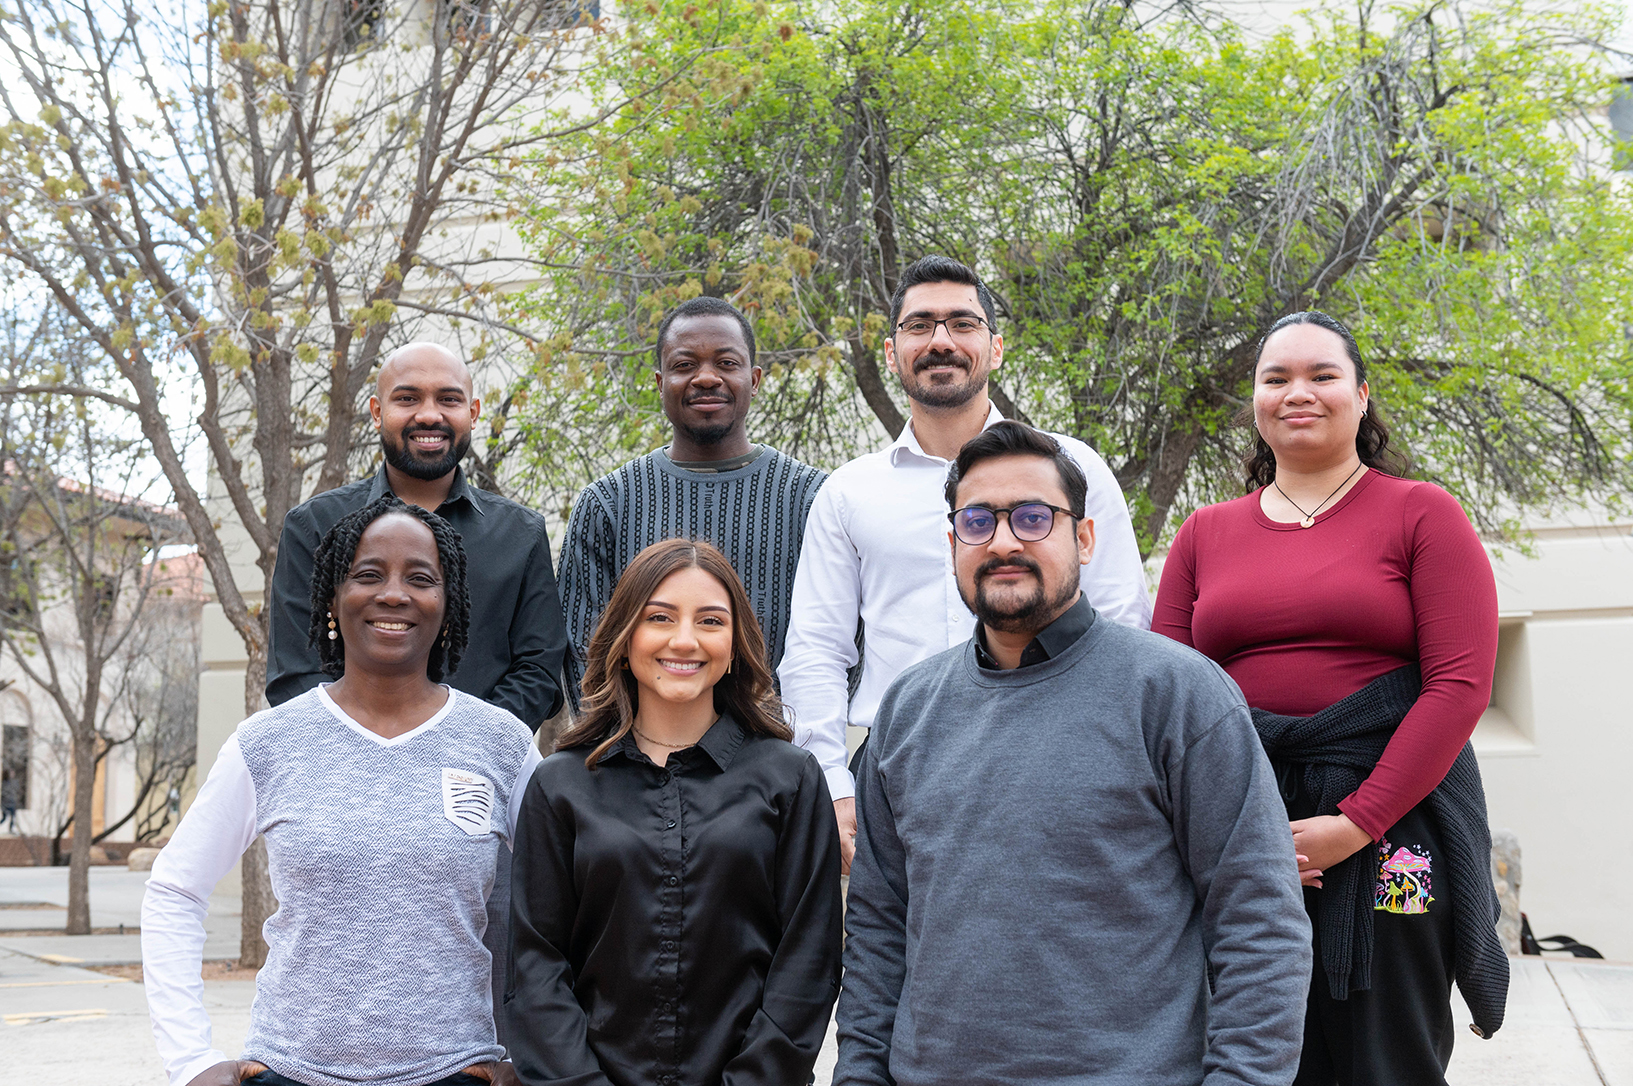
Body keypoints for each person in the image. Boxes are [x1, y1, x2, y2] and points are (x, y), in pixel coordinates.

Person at [835, 421, 1311, 1086]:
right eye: (977, 521)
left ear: (1083, 538)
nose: (1002, 541)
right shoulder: (907, 711)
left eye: (1033, 517)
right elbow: (879, 932)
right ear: (951, 545)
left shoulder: (1177, 695)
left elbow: (1259, 925)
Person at [1152, 310, 1509, 1085]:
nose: (1297, 393)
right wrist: (1227, 836)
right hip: (1239, 817)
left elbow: (1458, 686)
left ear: (1360, 394)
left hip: (1393, 825)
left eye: (1321, 375)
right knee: (1242, 1049)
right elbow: (1166, 704)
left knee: (1390, 1055)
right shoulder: (1202, 534)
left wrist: (1351, 826)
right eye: (1274, 378)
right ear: (1253, 400)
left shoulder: (1421, 513)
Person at [142, 495, 539, 1086]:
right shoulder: (269, 743)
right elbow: (174, 890)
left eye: (421, 578)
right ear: (333, 597)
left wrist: (532, 1061)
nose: (394, 594)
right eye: (368, 575)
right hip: (292, 1073)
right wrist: (190, 1061)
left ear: (447, 602)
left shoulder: (501, 744)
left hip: (457, 1073)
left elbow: (562, 913)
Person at [779, 254, 1152, 869]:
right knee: (895, 952)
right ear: (894, 350)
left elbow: (1121, 623)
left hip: (1058, 753)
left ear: (996, 347)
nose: (941, 341)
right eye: (920, 325)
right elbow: (817, 649)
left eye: (962, 323)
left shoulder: (1074, 468)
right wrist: (831, 782)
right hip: (894, 768)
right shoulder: (848, 493)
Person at [507, 539, 842, 1086]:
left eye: (710, 621)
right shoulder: (560, 784)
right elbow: (535, 964)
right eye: (659, 617)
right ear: (625, 636)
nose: (684, 640)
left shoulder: (792, 780)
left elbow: (809, 960)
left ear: (734, 645)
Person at [267, 341, 567, 731]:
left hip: (476, 774)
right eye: (408, 398)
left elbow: (538, 671)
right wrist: (371, 748)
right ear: (378, 412)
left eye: (449, 399)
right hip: (343, 777)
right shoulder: (313, 527)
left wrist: (460, 745)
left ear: (473, 414)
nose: (429, 415)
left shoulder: (520, 534)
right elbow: (294, 676)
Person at [558, 297, 826, 704]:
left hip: (780, 752)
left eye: (726, 363)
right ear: (659, 382)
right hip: (640, 758)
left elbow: (839, 644)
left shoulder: (814, 499)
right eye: (685, 365)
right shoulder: (608, 504)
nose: (706, 377)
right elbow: (584, 653)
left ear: (754, 380)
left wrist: (788, 745)